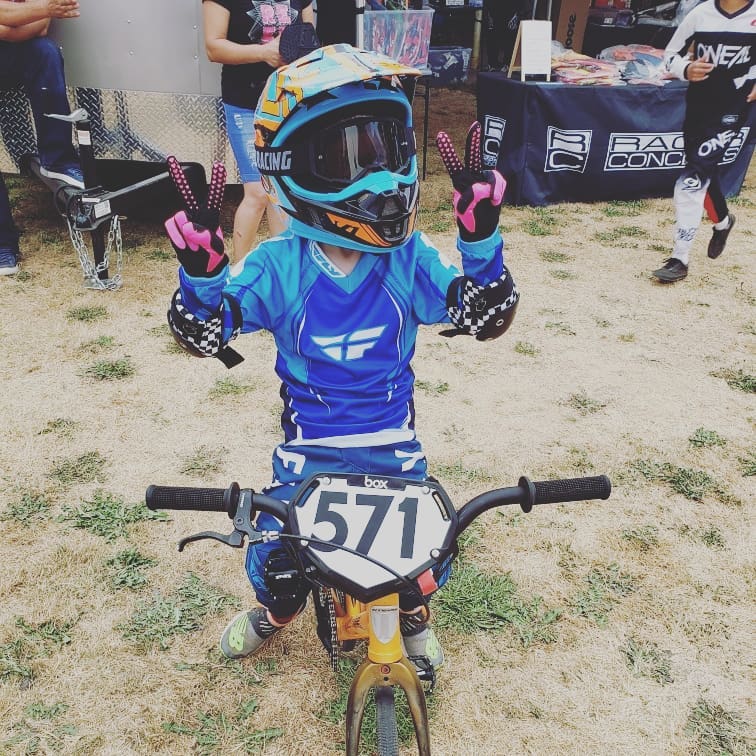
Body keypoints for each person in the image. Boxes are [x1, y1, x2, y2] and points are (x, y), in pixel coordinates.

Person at [163, 45, 519, 670]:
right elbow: (204, 333)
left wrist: (482, 242)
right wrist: (201, 279)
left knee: (428, 565)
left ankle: (413, 613)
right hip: (311, 454)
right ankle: (277, 612)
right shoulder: (279, 266)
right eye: (347, 157)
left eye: (387, 151)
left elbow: (484, 316)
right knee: (279, 565)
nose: (379, 180)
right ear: (290, 166)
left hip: (393, 448)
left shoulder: (407, 258)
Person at [652, 0, 755, 283]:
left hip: (735, 108)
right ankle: (723, 221)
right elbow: (670, 54)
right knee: (703, 169)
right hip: (698, 108)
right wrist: (686, 68)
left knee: (692, 178)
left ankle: (679, 258)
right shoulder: (700, 13)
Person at [202, 0, 314, 261]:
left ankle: (281, 270)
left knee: (281, 189)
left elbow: (308, 40)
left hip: (289, 100)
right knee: (258, 192)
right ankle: (238, 272)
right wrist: (263, 53)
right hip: (244, 103)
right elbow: (213, 47)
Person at [0, 0, 83, 275]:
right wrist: (45, 8)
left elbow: (41, 27)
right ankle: (3, 243)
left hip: (15, 50)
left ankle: (57, 160)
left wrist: (13, 26)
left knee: (46, 50)